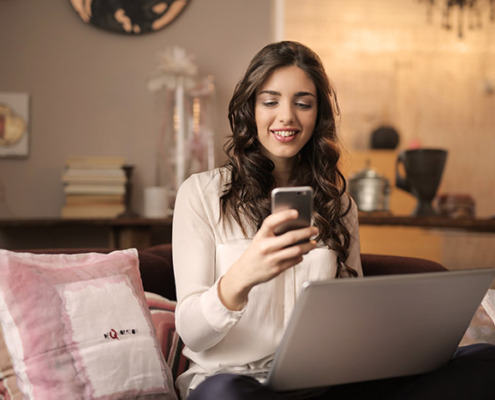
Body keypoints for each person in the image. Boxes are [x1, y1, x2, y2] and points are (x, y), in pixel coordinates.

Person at [172, 41, 495, 400]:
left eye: (303, 103)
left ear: (318, 114)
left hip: (319, 384)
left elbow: (348, 316)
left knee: (485, 361)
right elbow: (192, 332)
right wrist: (243, 274)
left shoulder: (338, 203)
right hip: (232, 382)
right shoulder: (201, 194)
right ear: (250, 108)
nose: (287, 117)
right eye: (270, 101)